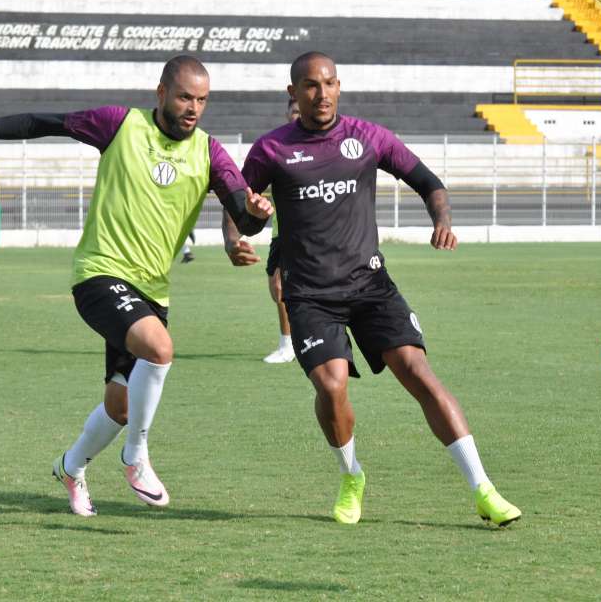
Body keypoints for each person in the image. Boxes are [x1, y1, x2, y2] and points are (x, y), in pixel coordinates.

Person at [0, 55, 273, 516]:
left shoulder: (210, 152)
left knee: (120, 407)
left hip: (152, 290)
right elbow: (41, 122)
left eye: (202, 99)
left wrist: (254, 215)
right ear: (161, 93)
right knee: (161, 349)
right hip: (99, 273)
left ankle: (70, 468)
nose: (194, 107)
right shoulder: (119, 125)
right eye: (185, 96)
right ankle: (136, 458)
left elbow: (242, 213)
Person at [222, 52, 521, 526]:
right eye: (310, 86)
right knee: (331, 384)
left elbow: (428, 182)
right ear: (293, 93)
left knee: (419, 373)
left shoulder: (367, 137)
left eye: (329, 84)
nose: (321, 94)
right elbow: (240, 209)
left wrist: (442, 221)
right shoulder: (271, 149)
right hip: (309, 294)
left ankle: (484, 489)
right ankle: (351, 476)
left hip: (370, 284)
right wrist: (238, 235)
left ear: (339, 86)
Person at [261, 98, 301, 363]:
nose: (297, 116)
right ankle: (294, 342)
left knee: (280, 285)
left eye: (301, 111)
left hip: (302, 232)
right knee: (276, 289)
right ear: (287, 113)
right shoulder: (278, 147)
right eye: (294, 111)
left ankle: (289, 345)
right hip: (279, 231)